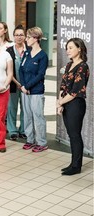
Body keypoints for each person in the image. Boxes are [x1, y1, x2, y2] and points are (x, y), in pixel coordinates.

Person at [57, 38, 89, 176]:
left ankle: (77, 166)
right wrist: (60, 102)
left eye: (70, 48)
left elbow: (76, 91)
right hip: (66, 102)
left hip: (76, 104)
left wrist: (61, 102)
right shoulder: (69, 65)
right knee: (71, 134)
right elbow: (63, 85)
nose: (67, 51)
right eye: (67, 48)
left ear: (79, 49)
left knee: (75, 135)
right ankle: (73, 163)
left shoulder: (83, 66)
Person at [19, 26, 48, 153]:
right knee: (27, 116)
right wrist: (23, 86)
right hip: (25, 90)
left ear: (36, 38)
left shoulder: (43, 56)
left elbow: (40, 75)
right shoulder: (26, 53)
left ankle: (41, 142)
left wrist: (28, 86)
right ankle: (30, 140)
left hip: (36, 91)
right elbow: (21, 70)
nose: (26, 39)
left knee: (38, 116)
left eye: (29, 37)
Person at [6, 25, 28, 141]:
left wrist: (25, 84)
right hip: (13, 84)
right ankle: (12, 130)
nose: (19, 37)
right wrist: (17, 82)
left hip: (27, 85)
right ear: (13, 37)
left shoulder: (29, 50)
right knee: (11, 107)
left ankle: (23, 130)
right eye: (16, 35)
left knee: (25, 108)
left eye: (21, 35)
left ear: (25, 37)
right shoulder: (8, 51)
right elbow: (6, 70)